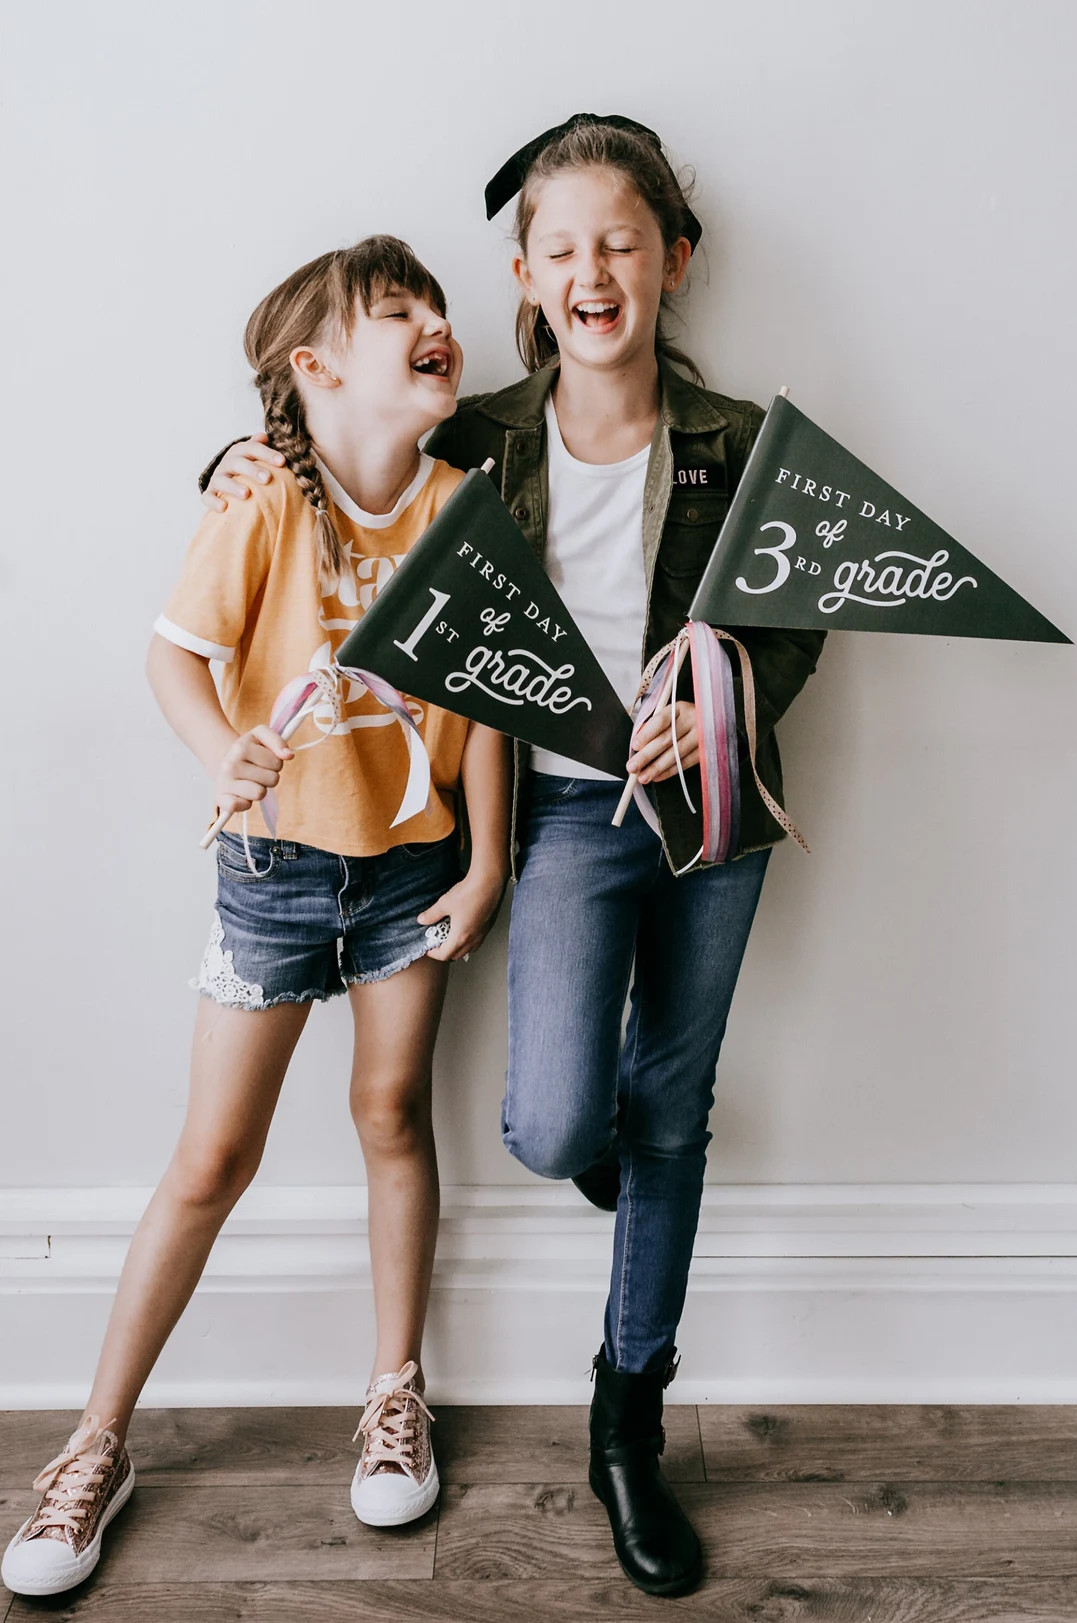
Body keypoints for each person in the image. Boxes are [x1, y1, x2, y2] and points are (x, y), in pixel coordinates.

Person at [197, 115, 825, 1601]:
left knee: (674, 1103)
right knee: (552, 1124)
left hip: (712, 816)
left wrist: (722, 696)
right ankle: (627, 1165)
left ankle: (629, 1427)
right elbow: (330, 453)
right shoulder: (473, 434)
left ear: (673, 261)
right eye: (560, 249)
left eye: (622, 241)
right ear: (526, 280)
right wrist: (237, 450)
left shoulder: (742, 441)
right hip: (552, 819)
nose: (592, 271)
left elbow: (797, 616)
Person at [2, 236, 510, 1600]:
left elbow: (496, 704)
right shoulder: (265, 496)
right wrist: (218, 743)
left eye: (438, 309)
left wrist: (490, 866)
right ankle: (92, 1447)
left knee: (394, 1117)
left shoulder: (466, 506)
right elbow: (176, 653)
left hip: (414, 870)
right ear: (317, 365)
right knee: (211, 1158)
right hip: (274, 873)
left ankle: (395, 1395)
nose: (436, 324)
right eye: (397, 311)